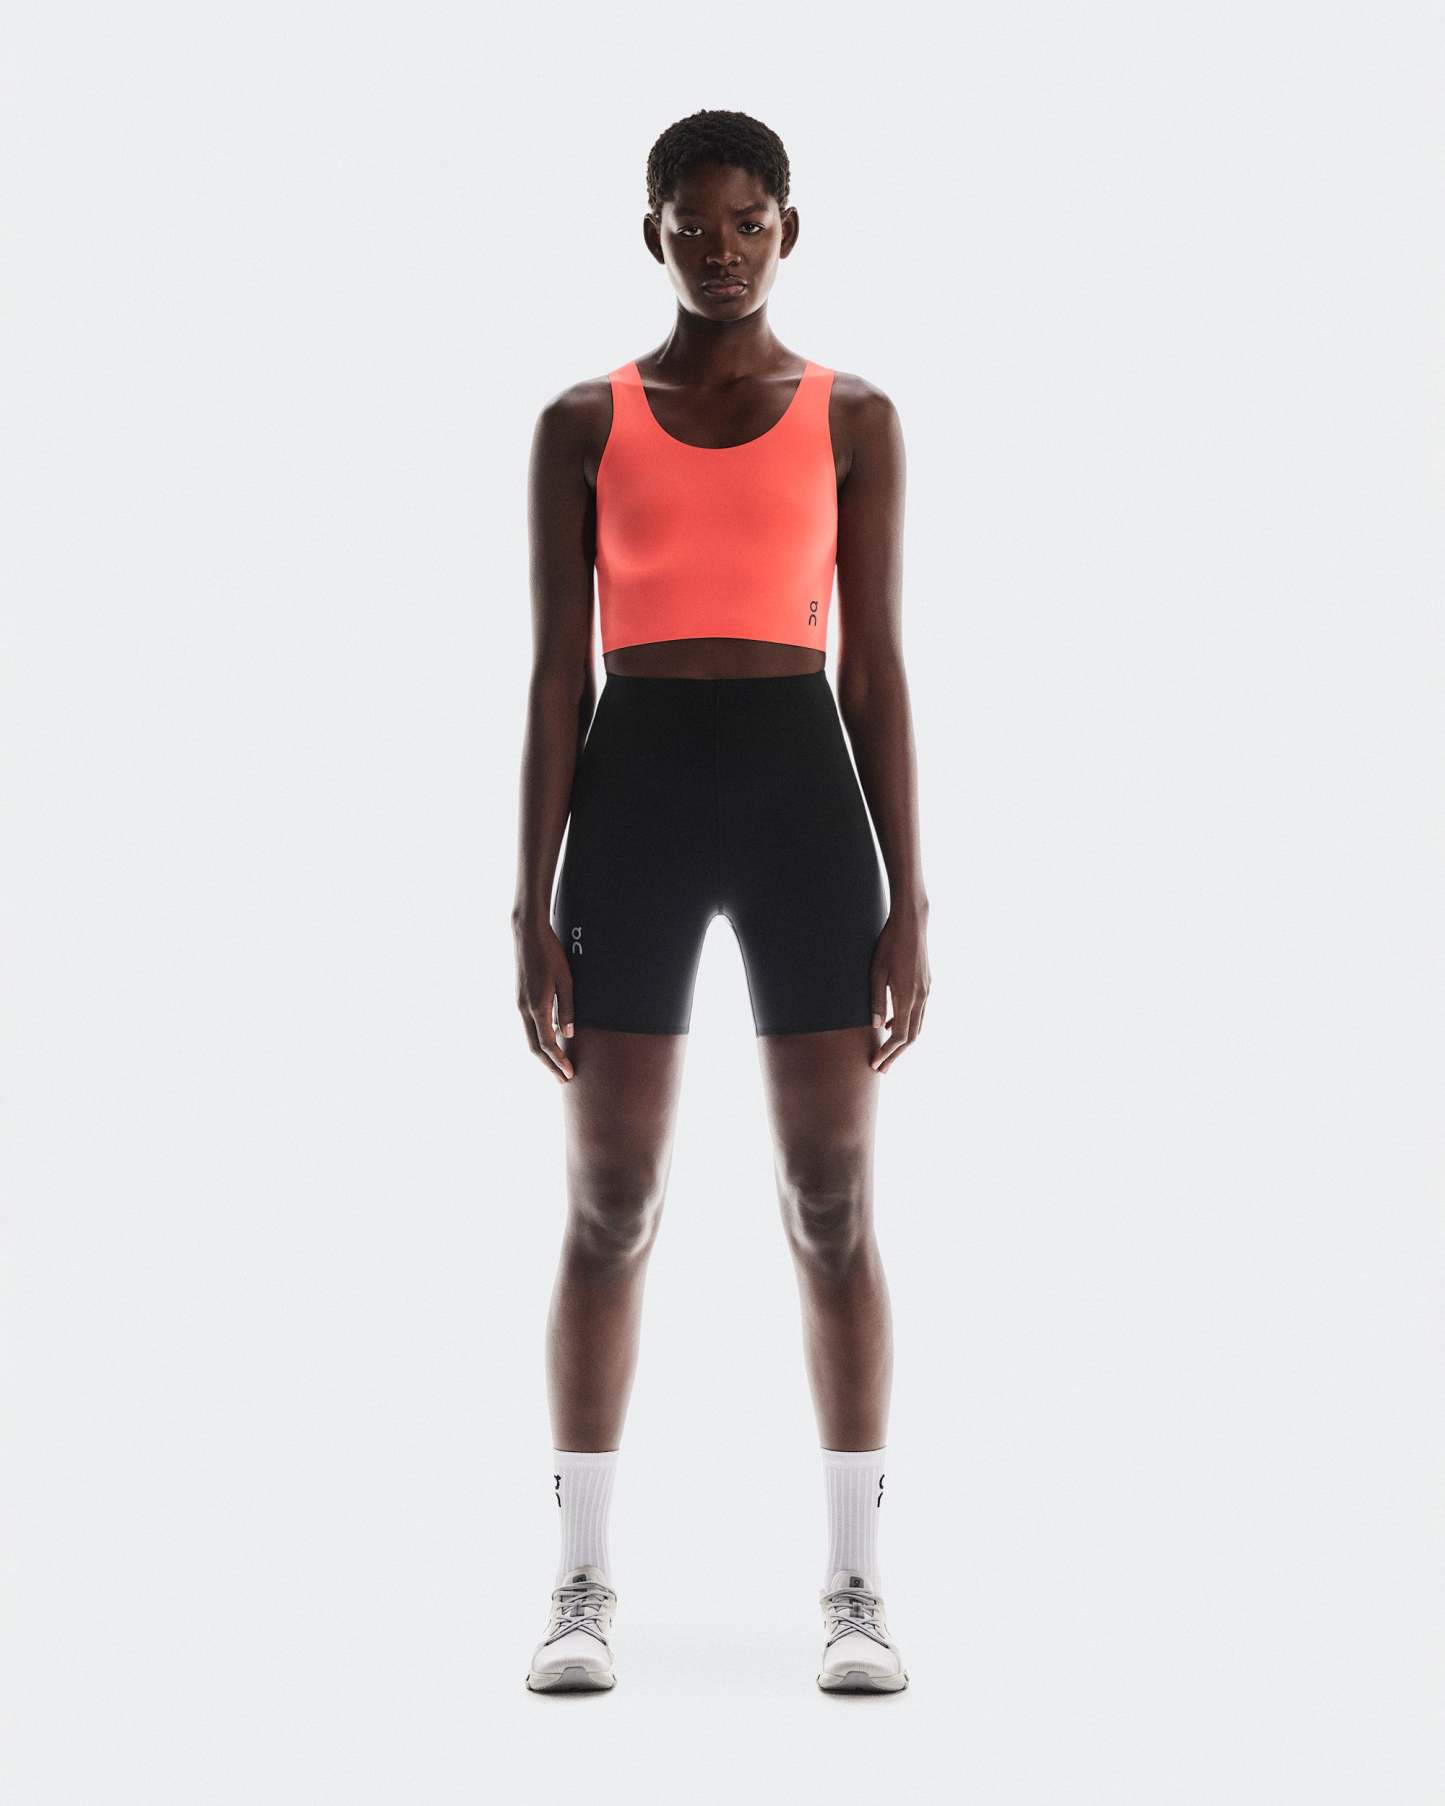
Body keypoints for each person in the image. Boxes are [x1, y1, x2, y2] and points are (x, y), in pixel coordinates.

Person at [512, 108, 930, 1694]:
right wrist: (528, 904)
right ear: (652, 236)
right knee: (610, 1200)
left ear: (786, 229)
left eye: (746, 220)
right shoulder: (579, 420)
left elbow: (876, 669)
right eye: (691, 223)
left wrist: (906, 894)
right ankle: (577, 1581)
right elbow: (554, 678)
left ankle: (855, 1584)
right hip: (631, 798)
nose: (720, 247)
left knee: (829, 1201)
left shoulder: (853, 417)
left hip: (798, 798)